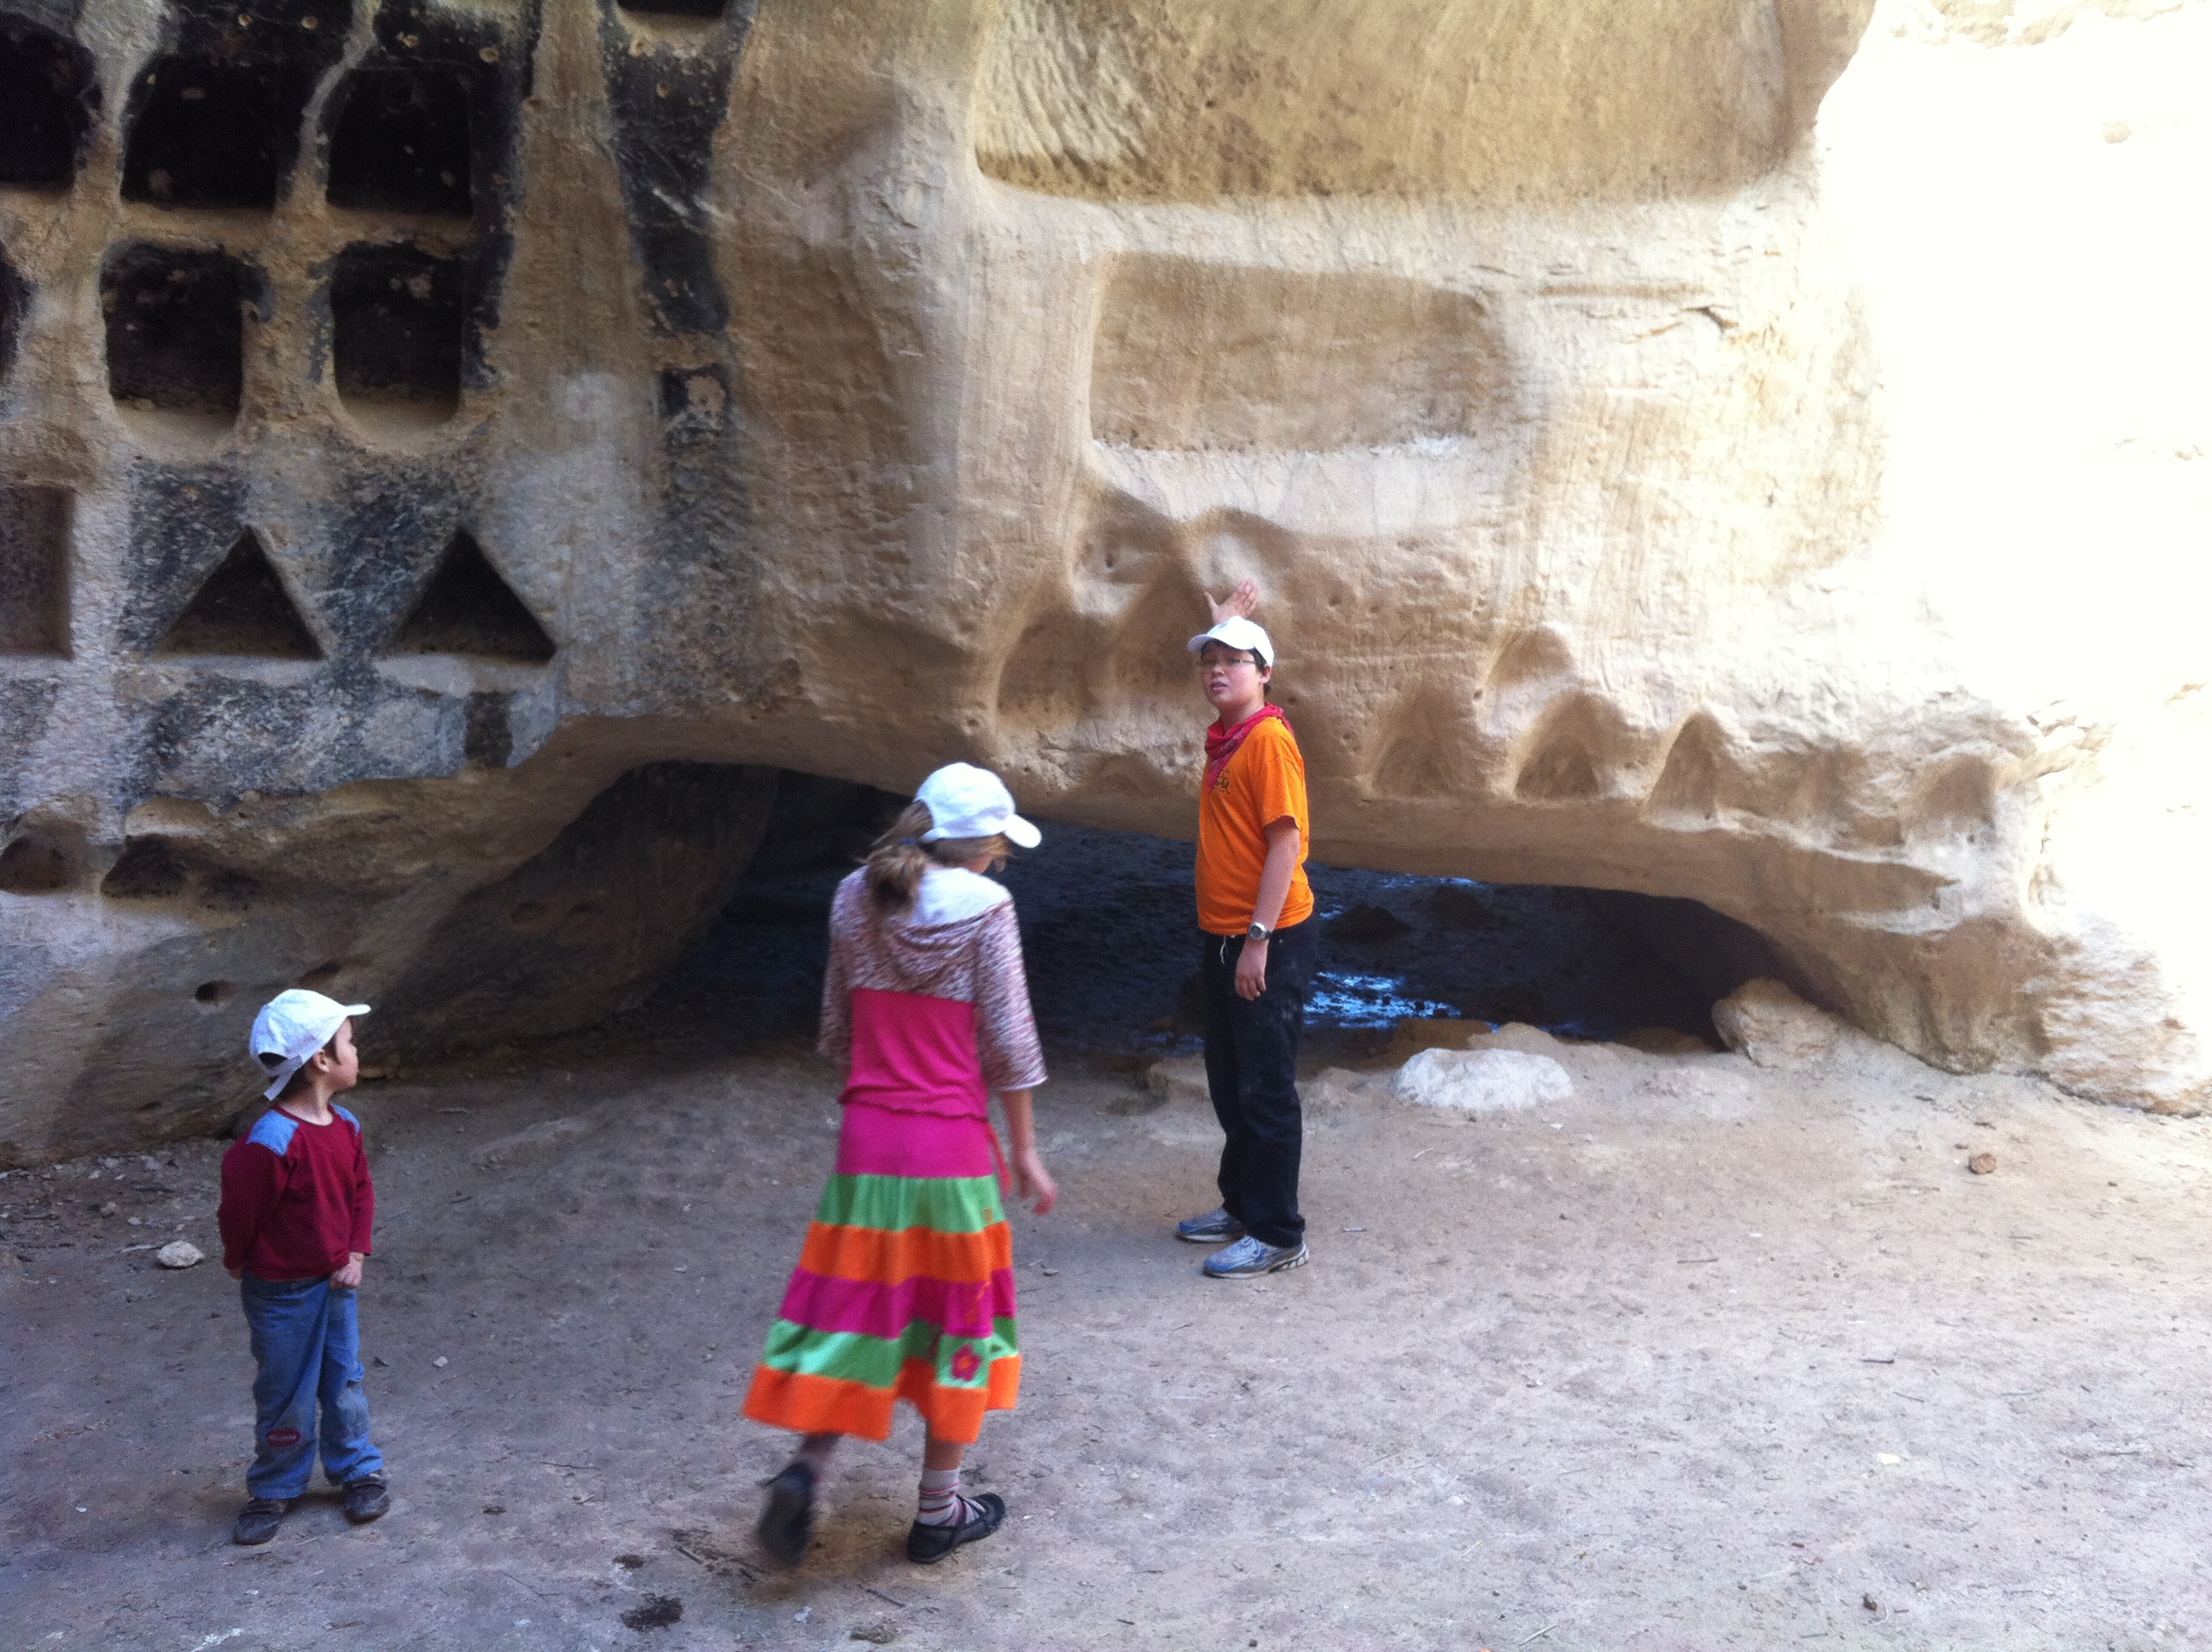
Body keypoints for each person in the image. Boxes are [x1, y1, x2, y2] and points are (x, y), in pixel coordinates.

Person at [744, 762, 1058, 1568]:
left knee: (857, 1314)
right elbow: (1010, 1043)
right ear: (983, 845)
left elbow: (836, 1027)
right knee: (960, 1326)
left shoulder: (854, 895)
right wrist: (1025, 1149)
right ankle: (939, 1510)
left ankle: (808, 1468)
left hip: (868, 1145)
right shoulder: (988, 909)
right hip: (950, 1153)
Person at [1176, 579, 1320, 1279]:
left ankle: (1278, 1232)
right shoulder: (1230, 738)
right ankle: (1241, 1205)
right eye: (1210, 661)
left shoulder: (1266, 741)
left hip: (1269, 935)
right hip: (1227, 932)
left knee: (1265, 1087)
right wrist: (1223, 623)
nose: (1217, 671)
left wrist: (1258, 939)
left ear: (1265, 674)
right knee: (1230, 1079)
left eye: (1234, 661)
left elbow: (1285, 845)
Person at [217, 989, 389, 1546]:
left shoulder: (347, 1127)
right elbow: (239, 1212)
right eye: (349, 1043)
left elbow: (360, 1192)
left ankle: (357, 1469)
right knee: (285, 1390)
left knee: (344, 1381)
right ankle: (275, 1484)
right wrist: (239, 1260)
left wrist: (355, 1252)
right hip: (281, 1295)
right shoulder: (270, 1142)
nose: (356, 1052)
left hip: (335, 1286)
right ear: (321, 1060)